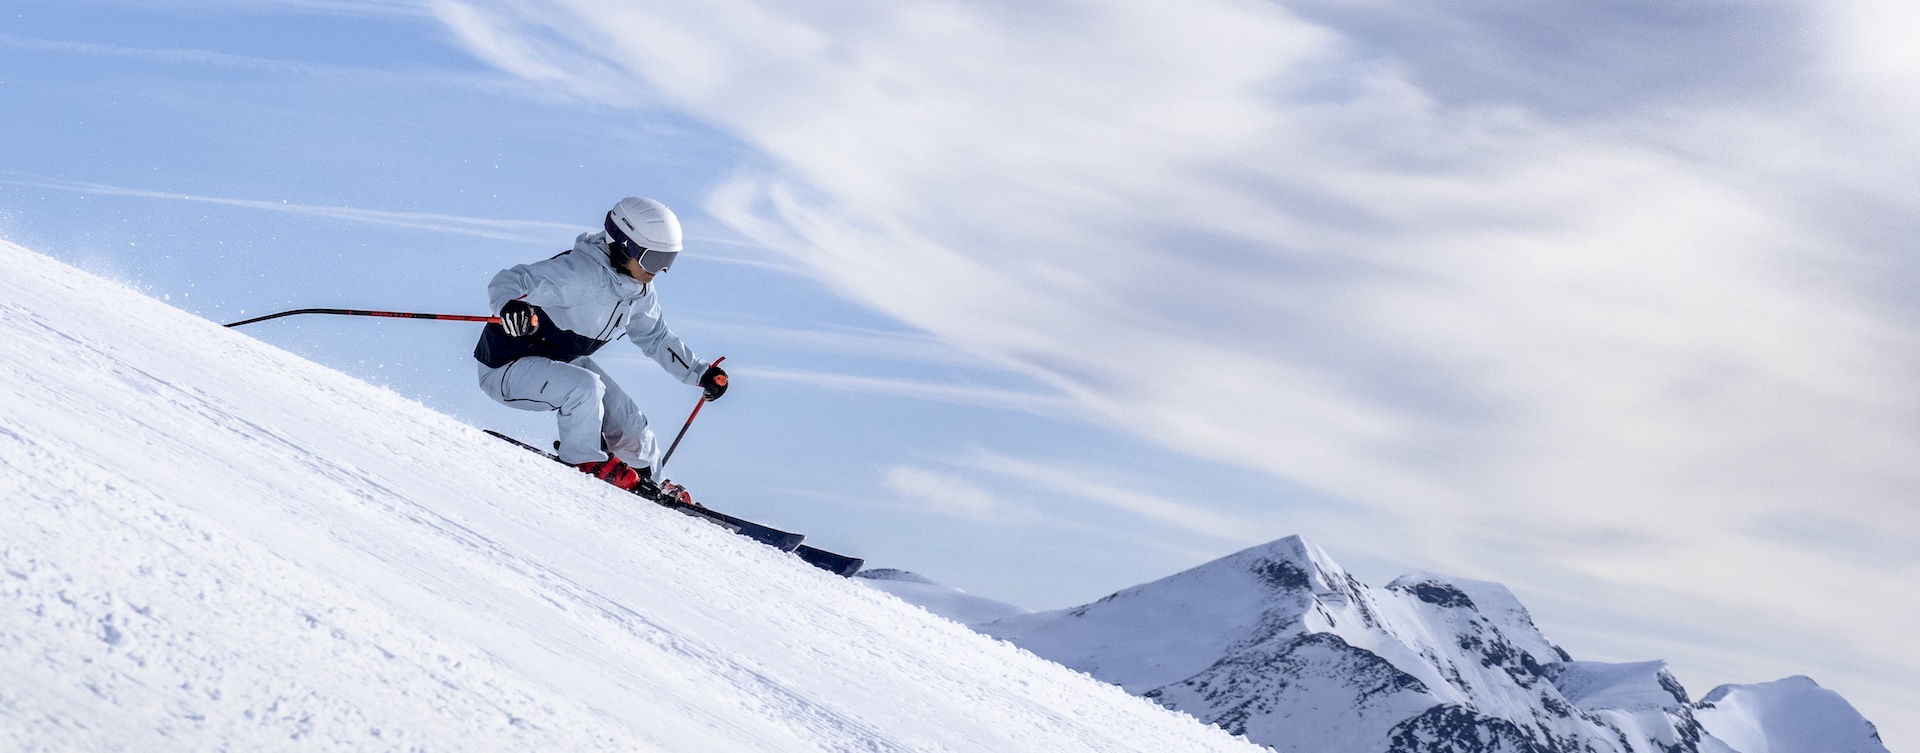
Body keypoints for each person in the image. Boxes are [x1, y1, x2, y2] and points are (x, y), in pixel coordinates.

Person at [474, 196, 728, 499]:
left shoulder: (638, 293)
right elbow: (511, 280)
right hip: (507, 365)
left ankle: (652, 481)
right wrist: (510, 306)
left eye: (667, 261)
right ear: (625, 246)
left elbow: (656, 337)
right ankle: (584, 461)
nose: (659, 270)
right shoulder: (579, 273)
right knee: (585, 387)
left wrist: (700, 373)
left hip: (563, 362)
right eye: (654, 260)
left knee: (631, 425)